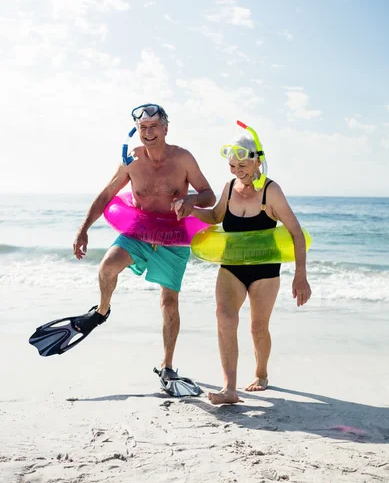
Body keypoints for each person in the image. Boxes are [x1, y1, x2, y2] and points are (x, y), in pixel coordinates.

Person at [73, 104, 216, 380]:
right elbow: (105, 195)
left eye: (154, 126)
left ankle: (167, 365)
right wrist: (83, 229)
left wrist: (191, 200)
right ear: (137, 131)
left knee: (169, 302)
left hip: (173, 238)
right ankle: (102, 311)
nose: (148, 133)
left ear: (165, 128)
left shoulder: (183, 158)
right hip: (138, 230)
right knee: (106, 267)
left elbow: (209, 196)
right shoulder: (131, 160)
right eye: (143, 128)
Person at [191, 124, 311, 405]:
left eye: (242, 165)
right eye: (232, 166)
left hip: (265, 268)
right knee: (224, 316)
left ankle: (261, 373)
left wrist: (300, 277)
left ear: (257, 160)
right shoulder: (230, 187)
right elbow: (216, 216)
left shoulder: (272, 191)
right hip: (231, 265)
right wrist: (190, 209)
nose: (237, 171)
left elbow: (296, 233)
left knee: (258, 327)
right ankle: (229, 389)